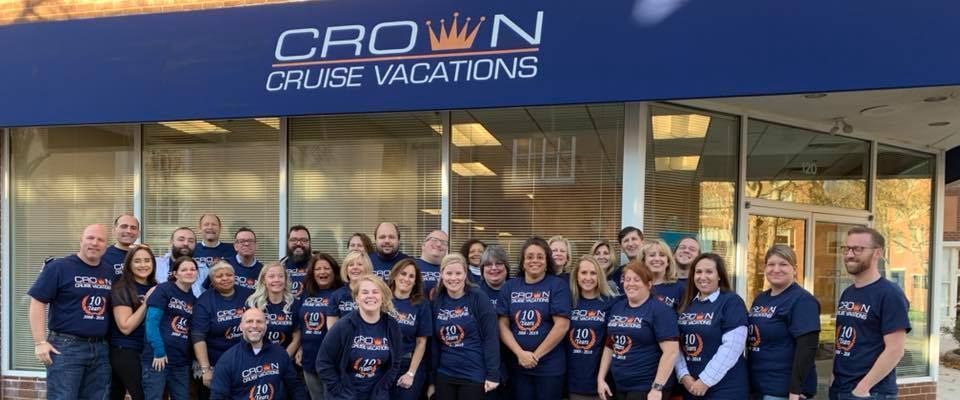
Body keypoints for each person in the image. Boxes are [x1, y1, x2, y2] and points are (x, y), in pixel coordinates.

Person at [28, 224, 114, 400]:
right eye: (90, 238)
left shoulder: (109, 271)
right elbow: (37, 302)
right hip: (66, 348)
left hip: (101, 349)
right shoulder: (59, 267)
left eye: (100, 240)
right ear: (81, 240)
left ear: (106, 246)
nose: (95, 243)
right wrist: (39, 342)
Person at [830, 227, 910, 400]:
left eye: (858, 249)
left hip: (871, 393)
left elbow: (895, 350)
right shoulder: (848, 293)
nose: (850, 254)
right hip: (840, 388)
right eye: (847, 248)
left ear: (877, 253)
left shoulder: (890, 294)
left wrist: (862, 388)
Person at [497, 237, 572, 400]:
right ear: (523, 261)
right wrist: (520, 354)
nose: (534, 261)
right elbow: (502, 325)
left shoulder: (557, 285)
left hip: (550, 367)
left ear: (547, 261)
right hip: (518, 365)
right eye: (529, 257)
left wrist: (535, 356)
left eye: (540, 257)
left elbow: (562, 325)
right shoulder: (509, 287)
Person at [596, 261, 679, 400]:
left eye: (637, 280)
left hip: (647, 388)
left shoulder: (660, 310)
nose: (631, 283)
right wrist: (600, 379)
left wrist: (657, 388)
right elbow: (610, 345)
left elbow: (671, 352)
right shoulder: (618, 307)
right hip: (619, 386)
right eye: (627, 279)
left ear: (649, 284)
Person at [748, 245, 820, 400]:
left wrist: (795, 391)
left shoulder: (802, 300)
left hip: (784, 391)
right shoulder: (761, 299)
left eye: (783, 264)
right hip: (758, 387)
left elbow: (807, 349)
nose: (776, 269)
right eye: (771, 264)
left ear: (794, 269)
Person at [315, 274, 403, 400]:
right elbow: (323, 363)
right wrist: (340, 391)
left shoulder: (392, 326)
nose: (370, 296)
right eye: (365, 292)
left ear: (382, 296)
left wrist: (383, 388)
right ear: (357, 298)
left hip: (376, 395)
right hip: (344, 396)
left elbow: (395, 363)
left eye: (375, 292)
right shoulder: (343, 326)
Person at [675, 253, 749, 399]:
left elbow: (733, 346)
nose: (703, 277)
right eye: (698, 272)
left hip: (725, 388)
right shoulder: (686, 303)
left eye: (709, 272)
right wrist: (683, 375)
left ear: (719, 275)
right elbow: (675, 344)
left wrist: (705, 381)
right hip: (691, 387)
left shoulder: (731, 302)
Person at [429, 253, 500, 399]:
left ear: (465, 274)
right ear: (442, 274)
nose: (453, 278)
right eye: (449, 273)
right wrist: (432, 379)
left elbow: (491, 337)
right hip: (445, 374)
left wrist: (493, 374)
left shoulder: (478, 297)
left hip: (473, 374)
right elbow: (434, 343)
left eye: (458, 273)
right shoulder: (437, 299)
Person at [210, 307, 307, 400]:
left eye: (259, 321)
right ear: (241, 326)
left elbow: (295, 387)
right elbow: (218, 396)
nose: (254, 325)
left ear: (265, 326)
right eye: (249, 321)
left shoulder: (280, 353)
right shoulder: (227, 361)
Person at [192, 260, 254, 398]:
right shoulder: (204, 301)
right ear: (212, 281)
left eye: (229, 275)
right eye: (219, 276)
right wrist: (205, 369)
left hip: (246, 362)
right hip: (216, 364)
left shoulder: (249, 295)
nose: (225, 278)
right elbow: (198, 336)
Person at [142, 256, 199, 400]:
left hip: (181, 361)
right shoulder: (164, 289)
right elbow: (151, 322)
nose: (189, 272)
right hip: (158, 358)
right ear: (175, 274)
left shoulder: (194, 300)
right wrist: (159, 351)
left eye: (192, 269)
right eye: (184, 269)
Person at [110, 244, 158, 400]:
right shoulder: (121, 287)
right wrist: (146, 303)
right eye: (137, 261)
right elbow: (125, 327)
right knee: (143, 395)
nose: (143, 265)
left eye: (147, 260)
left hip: (148, 351)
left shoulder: (156, 287)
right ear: (129, 264)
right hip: (126, 350)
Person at [566, 255, 618, 400]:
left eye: (593, 273)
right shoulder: (567, 301)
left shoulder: (612, 302)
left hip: (601, 379)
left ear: (599, 276)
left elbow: (612, 342)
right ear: (576, 276)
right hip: (572, 379)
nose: (588, 277)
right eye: (583, 273)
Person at [298, 253, 345, 399]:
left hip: (332, 361)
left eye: (327, 268)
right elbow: (301, 323)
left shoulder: (342, 293)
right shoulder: (306, 293)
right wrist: (299, 347)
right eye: (318, 269)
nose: (322, 272)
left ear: (334, 271)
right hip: (309, 358)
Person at [387, 258, 433, 400]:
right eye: (403, 273)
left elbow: (421, 342)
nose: (406, 278)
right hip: (382, 364)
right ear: (394, 275)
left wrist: (411, 373)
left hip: (408, 364)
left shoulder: (421, 304)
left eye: (411, 276)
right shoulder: (382, 299)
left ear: (415, 281)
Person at [478, 245, 512, 400]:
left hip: (514, 359)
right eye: (488, 264)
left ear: (506, 267)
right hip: (482, 362)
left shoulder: (517, 289)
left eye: (498, 263)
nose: (493, 268)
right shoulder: (474, 292)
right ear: (481, 269)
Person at [246, 262, 302, 358]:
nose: (277, 280)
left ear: (285, 280)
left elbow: (297, 337)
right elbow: (248, 334)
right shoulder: (252, 304)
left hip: (286, 358)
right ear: (264, 280)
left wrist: (283, 359)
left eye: (280, 276)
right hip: (258, 359)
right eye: (271, 276)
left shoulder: (294, 304)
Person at [156, 227, 208, 296]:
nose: (186, 243)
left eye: (191, 241)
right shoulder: (156, 265)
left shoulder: (203, 270)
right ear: (171, 242)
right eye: (181, 239)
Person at [642, 239, 685, 310]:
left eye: (662, 255)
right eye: (652, 255)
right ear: (643, 261)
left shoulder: (680, 288)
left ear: (668, 261)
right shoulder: (637, 286)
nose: (657, 258)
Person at [333, 250, 375, 316]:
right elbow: (332, 325)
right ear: (346, 269)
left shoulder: (376, 293)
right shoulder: (337, 295)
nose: (355, 267)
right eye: (351, 265)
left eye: (360, 264)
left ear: (367, 268)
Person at [608, 227, 644, 291]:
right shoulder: (617, 274)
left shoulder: (652, 268)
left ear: (642, 242)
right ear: (621, 248)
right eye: (626, 241)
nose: (630, 244)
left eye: (634, 239)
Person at [415, 230, 448, 299]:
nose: (439, 244)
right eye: (434, 240)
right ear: (423, 245)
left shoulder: (450, 269)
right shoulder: (411, 266)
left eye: (443, 242)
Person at [284, 225, 313, 298]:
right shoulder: (280, 265)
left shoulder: (319, 264)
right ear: (287, 242)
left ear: (309, 243)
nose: (299, 244)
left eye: (303, 240)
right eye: (293, 240)